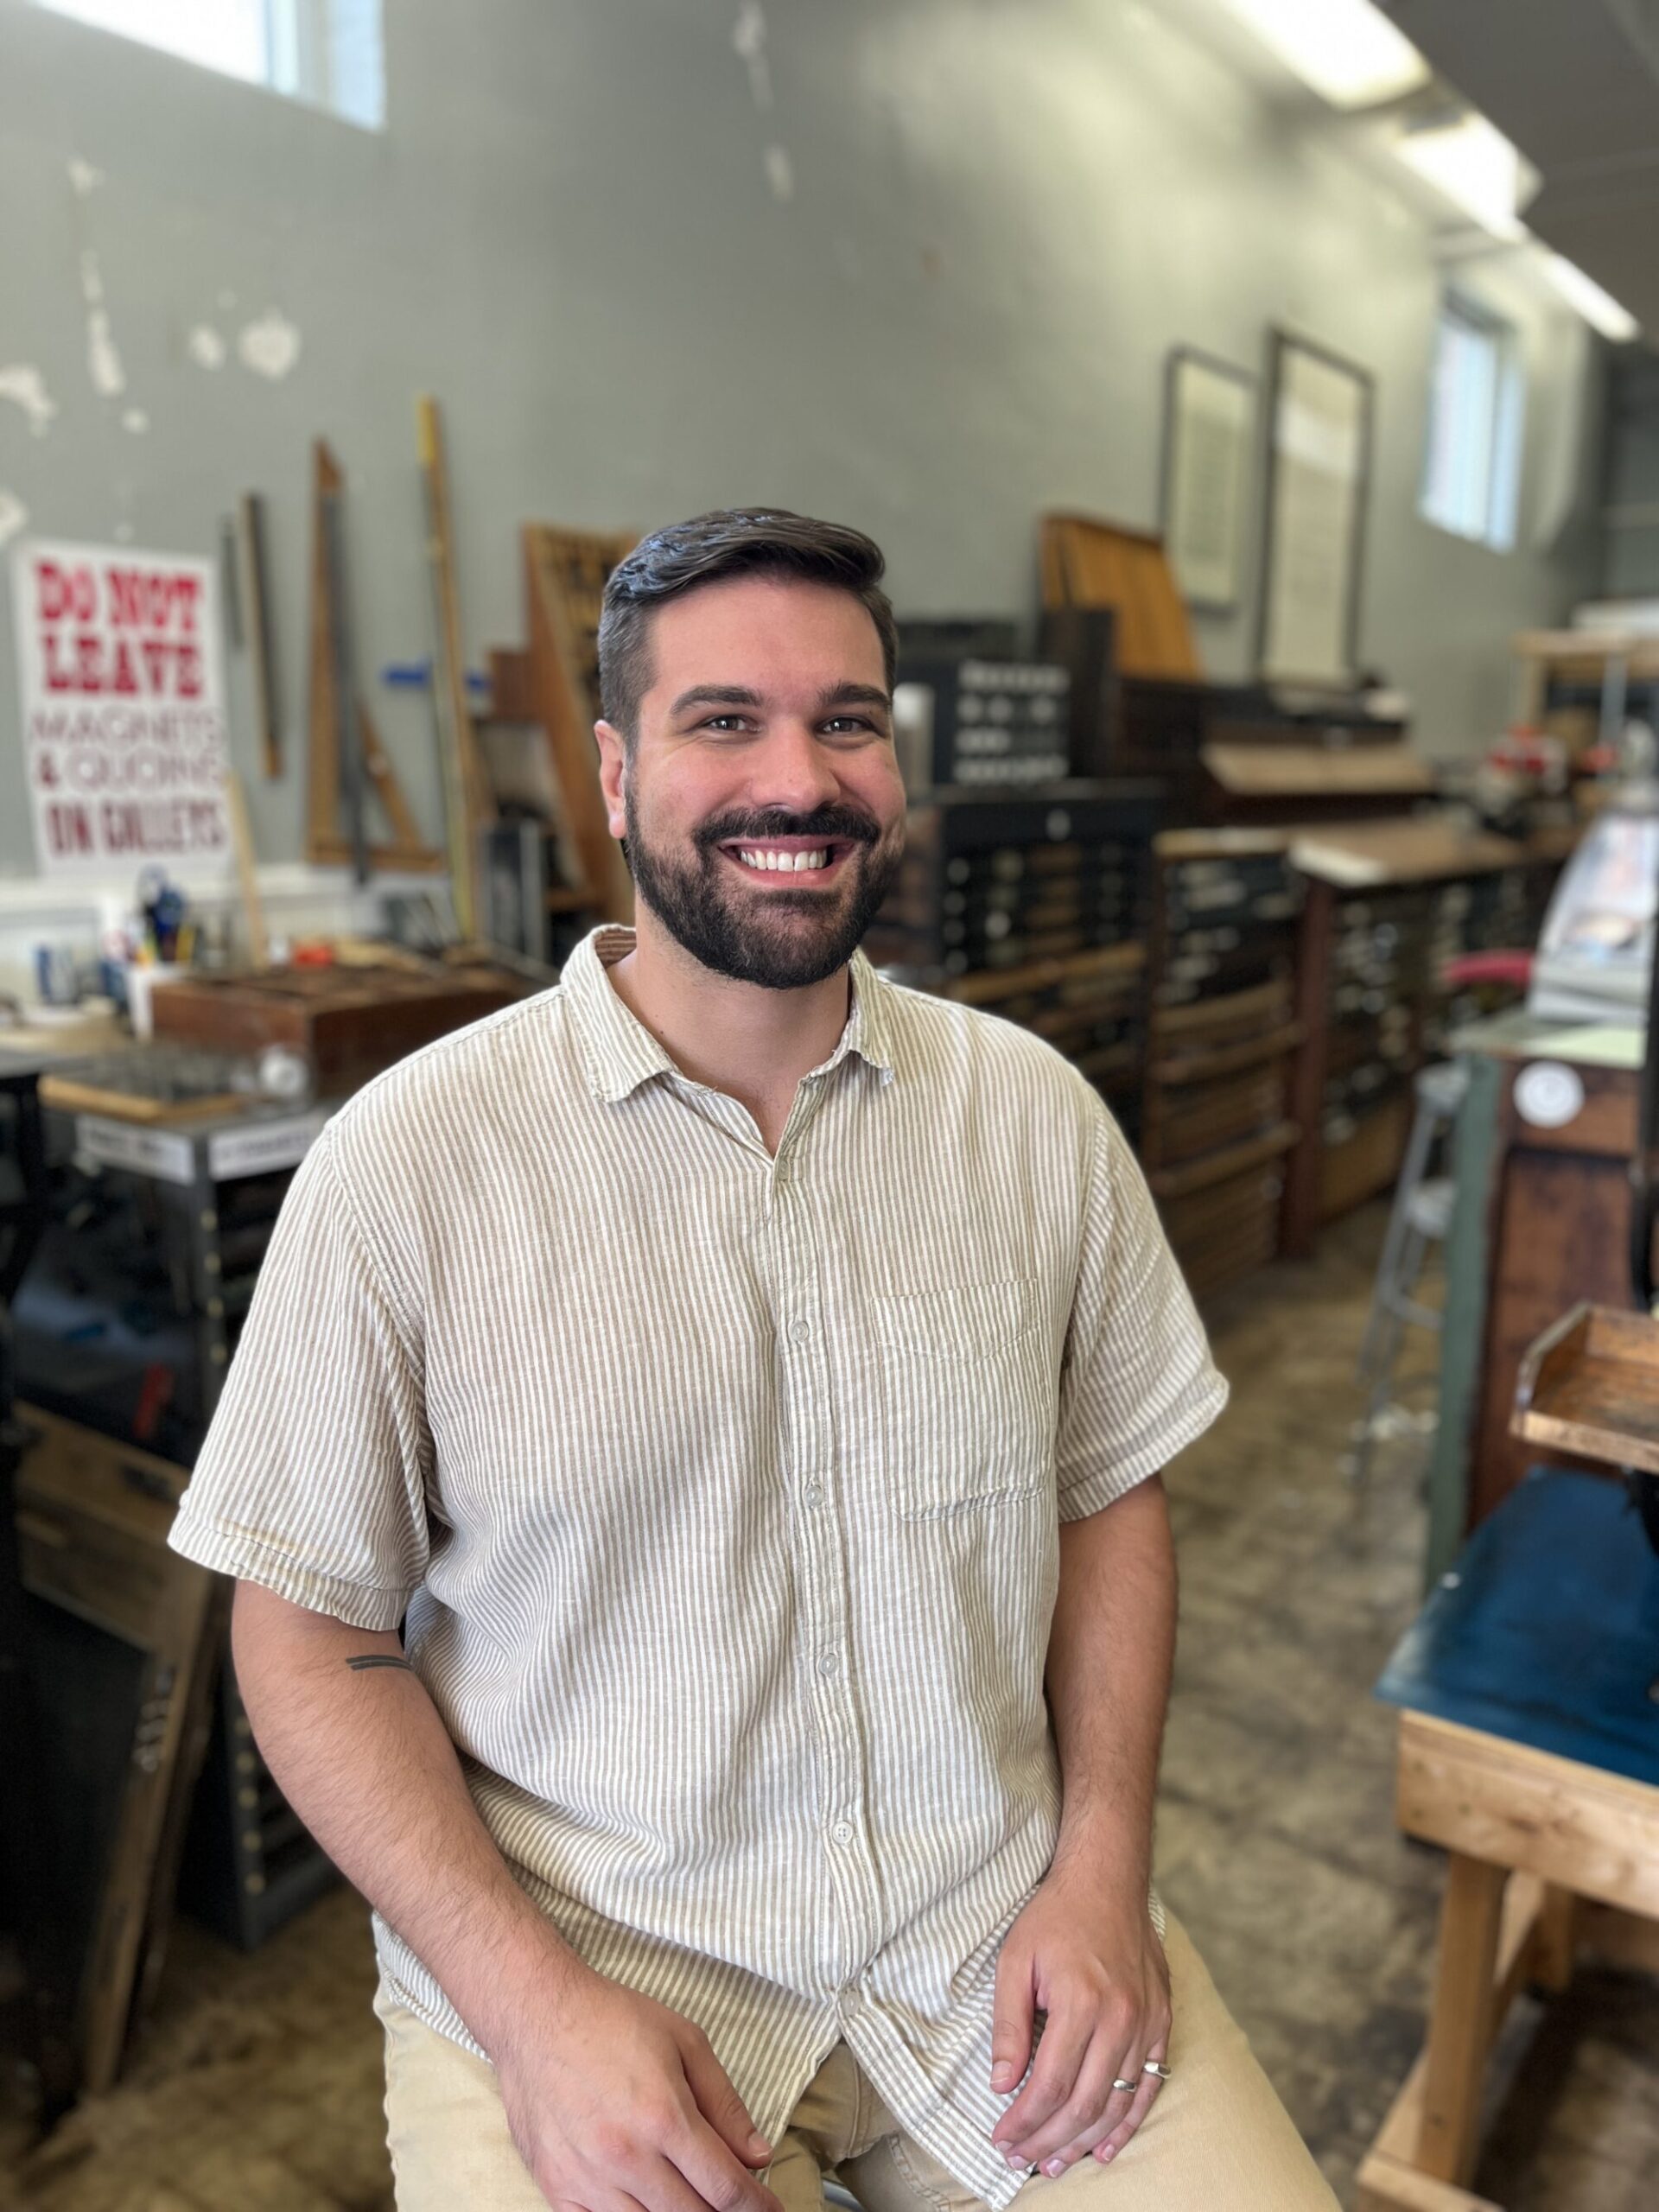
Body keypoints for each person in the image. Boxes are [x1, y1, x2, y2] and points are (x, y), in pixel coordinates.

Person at [169, 508, 1338, 2212]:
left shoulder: (1032, 1120)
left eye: (845, 721)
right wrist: (529, 2010)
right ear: (616, 771)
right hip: (599, 1975)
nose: (799, 779)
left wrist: (1103, 1868)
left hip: (993, 1939)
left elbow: (1107, 1503)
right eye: (724, 720)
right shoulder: (409, 1166)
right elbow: (304, 1625)